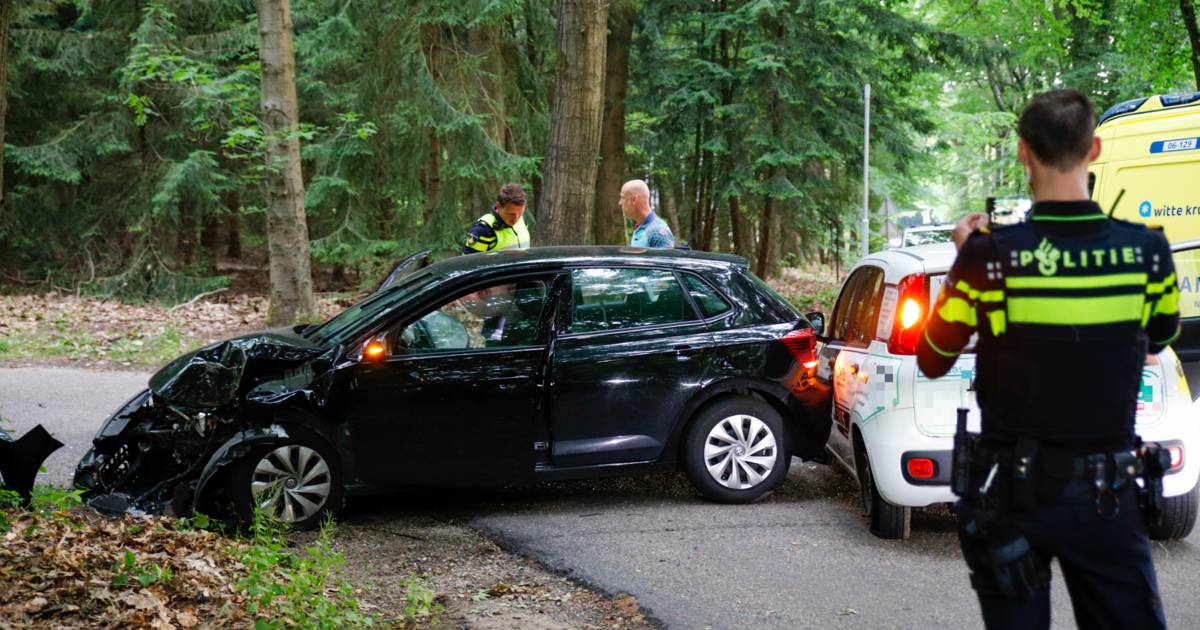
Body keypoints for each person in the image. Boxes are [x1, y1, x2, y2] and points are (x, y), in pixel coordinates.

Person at [917, 89, 1180, 629]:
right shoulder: (1146, 252)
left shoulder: (989, 258)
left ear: (1022, 152)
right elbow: (1156, 341)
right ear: (1095, 148)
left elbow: (933, 357)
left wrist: (964, 258)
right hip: (1107, 498)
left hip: (1008, 498)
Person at [463, 183, 531, 254]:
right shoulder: (484, 229)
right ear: (498, 206)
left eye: (520, 214)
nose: (516, 219)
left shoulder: (523, 220)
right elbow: (469, 262)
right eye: (511, 214)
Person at [620, 179, 675, 248]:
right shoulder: (640, 228)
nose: (620, 203)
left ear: (634, 200)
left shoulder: (657, 232)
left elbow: (667, 259)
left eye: (622, 198)